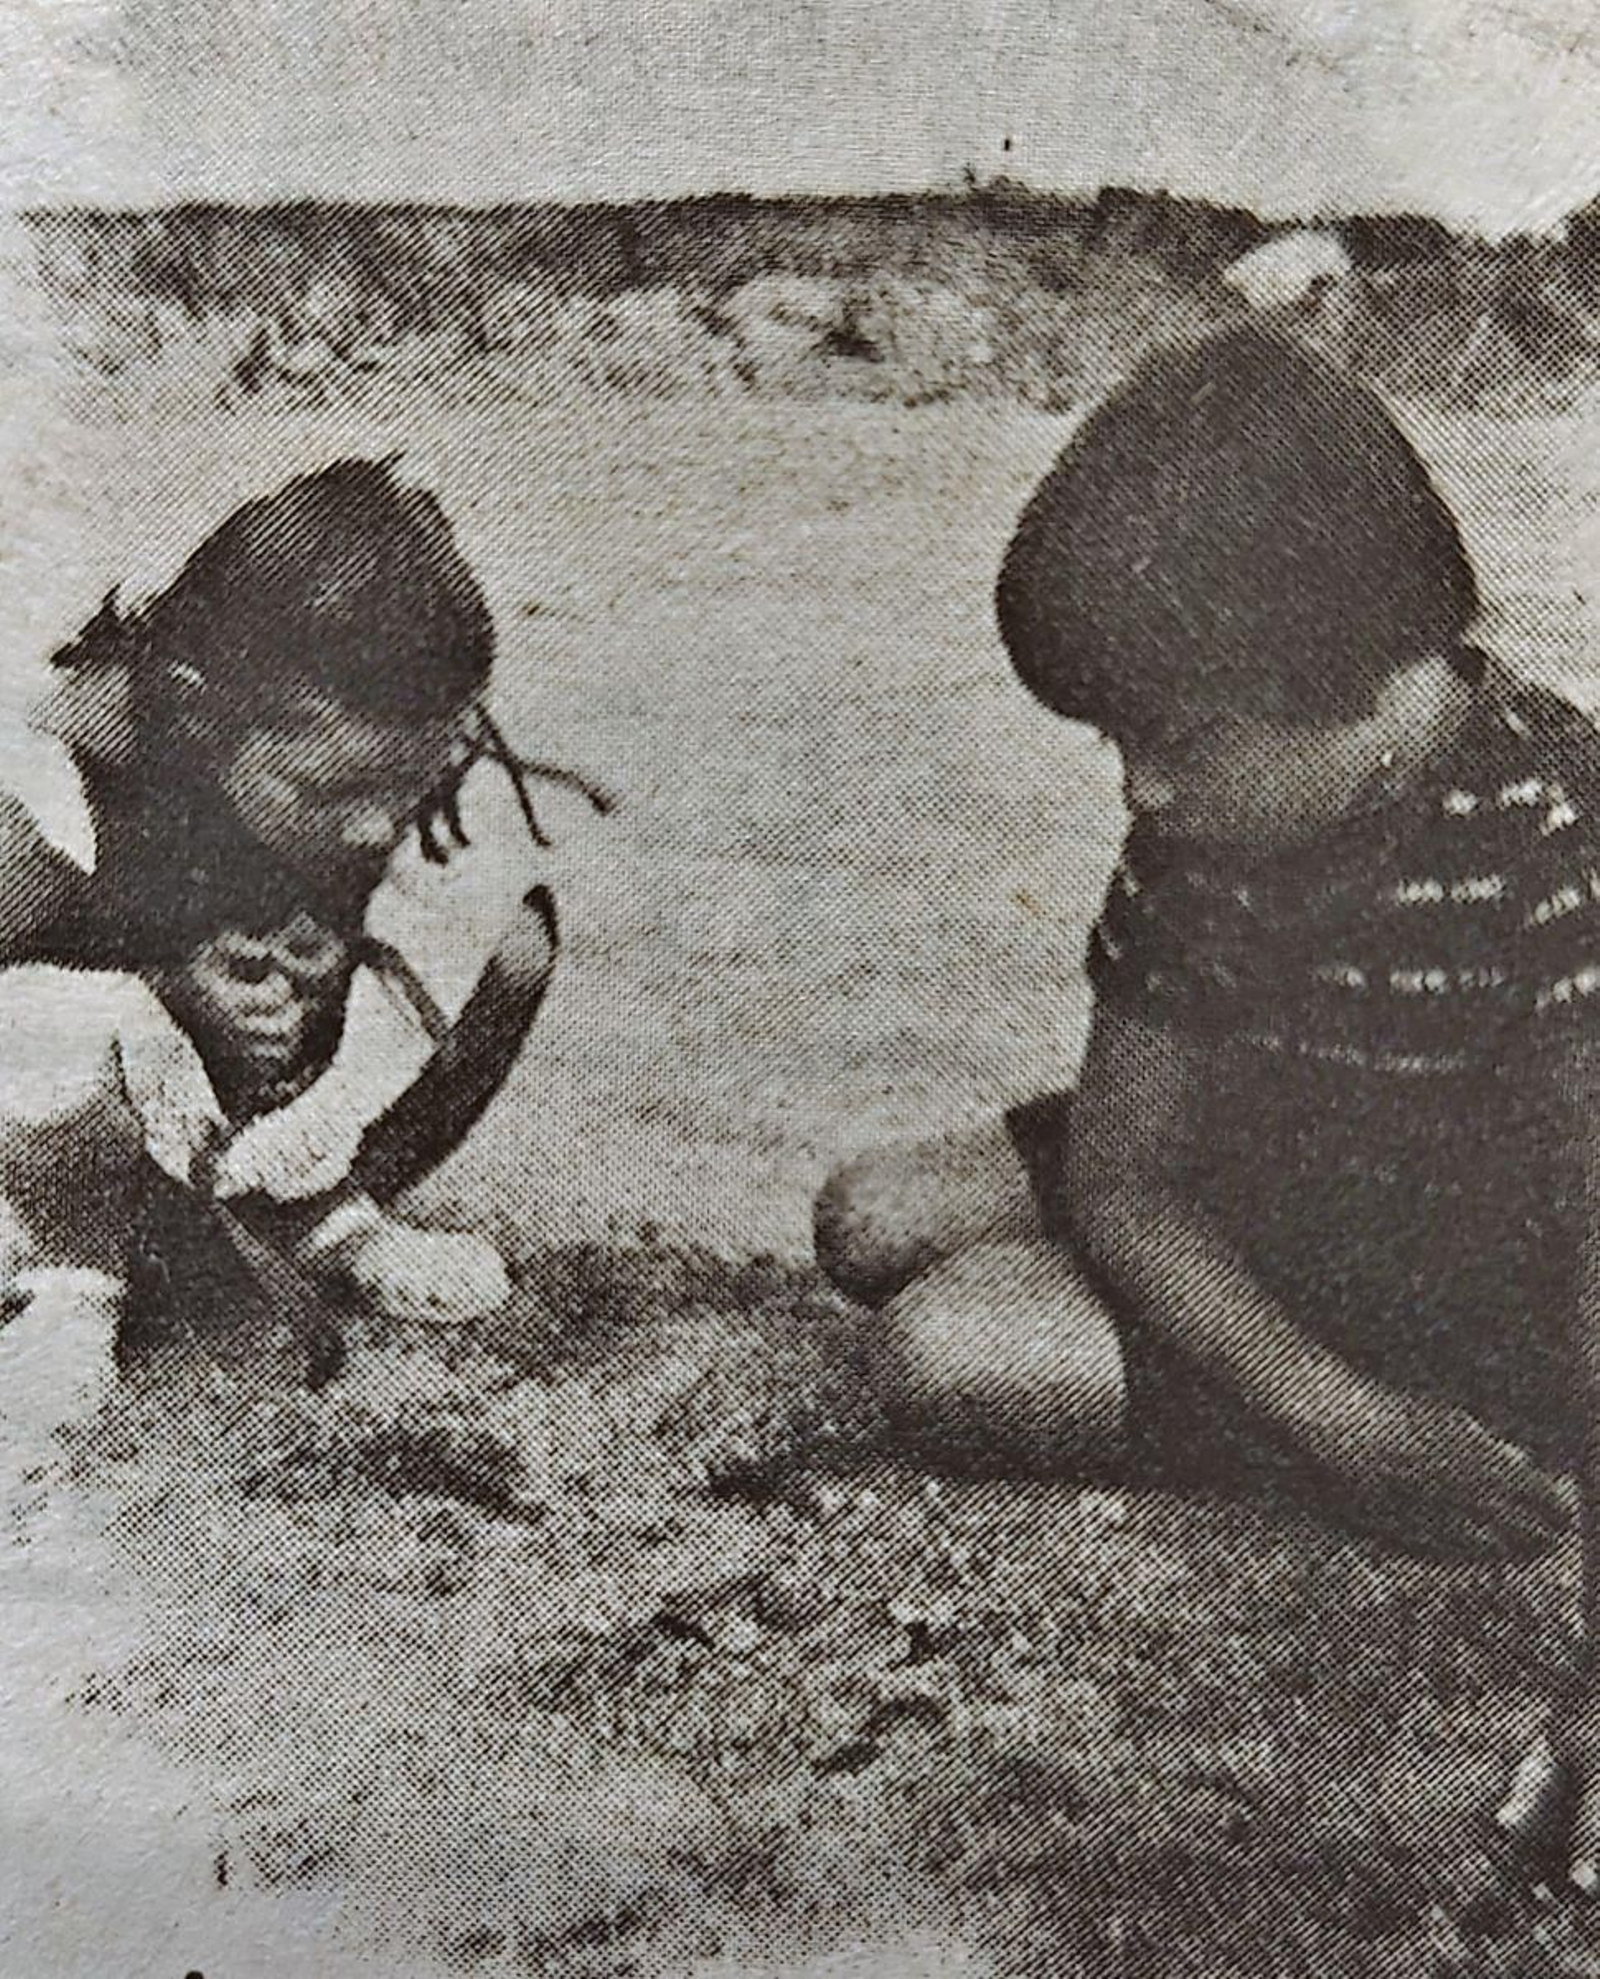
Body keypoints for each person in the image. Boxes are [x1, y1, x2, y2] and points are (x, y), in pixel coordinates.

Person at [812, 326, 1600, 1889]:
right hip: (1265, 1169)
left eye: (1176, 740)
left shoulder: (1557, 842)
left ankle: (1338, 1423)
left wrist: (1399, 1416)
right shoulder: (1213, 833)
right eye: (1121, 742)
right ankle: (1296, 1417)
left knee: (948, 1347)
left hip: (1478, 1259)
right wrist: (1335, 1421)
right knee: (871, 1218)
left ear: (1368, 677)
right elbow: (1127, 1177)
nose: (1141, 792)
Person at [0, 455, 588, 1392]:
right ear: (198, 714)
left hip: (194, 1137)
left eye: (410, 780)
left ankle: (316, 1214)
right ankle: (69, 1282)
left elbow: (390, 883)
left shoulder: (320, 753)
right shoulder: (41, 782)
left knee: (480, 941)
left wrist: (325, 958)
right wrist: (158, 971)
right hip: (30, 1149)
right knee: (51, 1017)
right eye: (336, 787)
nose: (376, 821)